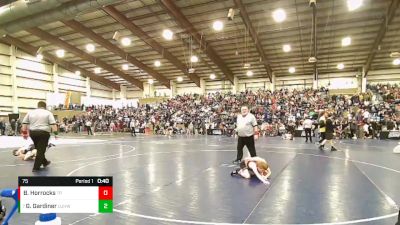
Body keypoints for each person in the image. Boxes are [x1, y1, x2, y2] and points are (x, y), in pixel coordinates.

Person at [21, 101, 58, 172]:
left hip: (33, 133)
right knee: (41, 150)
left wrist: (25, 133)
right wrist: (56, 134)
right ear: (45, 106)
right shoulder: (48, 113)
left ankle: (45, 162)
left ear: (38, 106)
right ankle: (36, 168)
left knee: (39, 148)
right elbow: (53, 124)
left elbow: (24, 123)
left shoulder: (30, 112)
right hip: (43, 133)